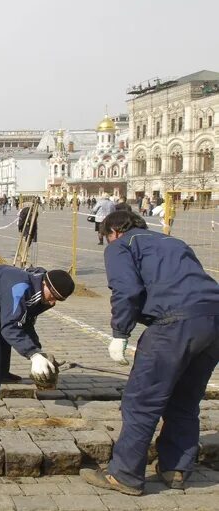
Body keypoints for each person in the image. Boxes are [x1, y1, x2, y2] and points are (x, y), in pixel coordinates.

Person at [80, 211, 219, 496]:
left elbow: (126, 289)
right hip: (213, 320)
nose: (108, 242)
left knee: (142, 400)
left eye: (106, 237)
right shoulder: (175, 243)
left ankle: (125, 475)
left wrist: (120, 333)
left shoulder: (122, 246)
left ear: (115, 231)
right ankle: (176, 468)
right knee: (185, 399)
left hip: (174, 325)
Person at [0, 265, 75, 398]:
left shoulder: (42, 293)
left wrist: (38, 352)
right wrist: (33, 354)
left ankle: (1, 374)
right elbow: (10, 327)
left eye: (58, 299)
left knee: (5, 337)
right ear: (45, 283)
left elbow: (24, 323)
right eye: (53, 296)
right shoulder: (21, 289)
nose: (52, 302)